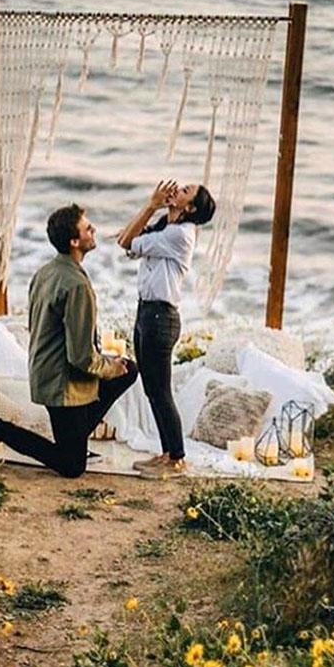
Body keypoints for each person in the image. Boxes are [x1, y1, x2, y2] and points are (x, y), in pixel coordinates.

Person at [0, 203, 137, 478]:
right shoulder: (76, 285)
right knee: (72, 466)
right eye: (87, 228)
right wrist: (110, 367)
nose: (93, 229)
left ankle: (76, 437)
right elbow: (81, 357)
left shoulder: (45, 272)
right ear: (74, 241)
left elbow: (40, 328)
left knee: (128, 370)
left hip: (44, 371)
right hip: (63, 387)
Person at [117, 180, 216, 479]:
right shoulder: (165, 228)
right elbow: (127, 241)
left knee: (160, 391)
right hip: (146, 312)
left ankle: (177, 458)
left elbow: (126, 241)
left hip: (161, 317)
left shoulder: (179, 234)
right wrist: (153, 211)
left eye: (185, 191)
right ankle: (167, 453)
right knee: (152, 390)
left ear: (191, 208)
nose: (177, 190)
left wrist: (150, 205)